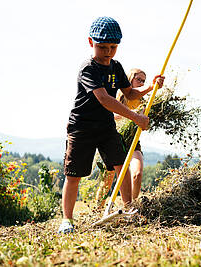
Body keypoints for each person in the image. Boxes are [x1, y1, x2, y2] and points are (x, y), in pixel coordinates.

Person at [59, 17, 164, 234]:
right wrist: (136, 118)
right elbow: (105, 99)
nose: (108, 52)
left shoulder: (116, 67)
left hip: (106, 127)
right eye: (102, 47)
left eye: (113, 47)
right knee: (74, 174)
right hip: (82, 127)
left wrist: (151, 87)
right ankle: (67, 220)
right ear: (91, 42)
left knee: (121, 166)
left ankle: (128, 211)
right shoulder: (88, 69)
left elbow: (130, 94)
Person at [95, 68, 149, 207]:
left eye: (144, 81)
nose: (142, 83)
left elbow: (144, 125)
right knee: (108, 178)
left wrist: (144, 121)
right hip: (114, 137)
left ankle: (132, 206)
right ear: (130, 79)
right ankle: (97, 208)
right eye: (139, 80)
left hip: (132, 140)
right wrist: (132, 114)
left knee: (137, 173)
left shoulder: (144, 102)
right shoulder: (117, 96)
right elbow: (109, 115)